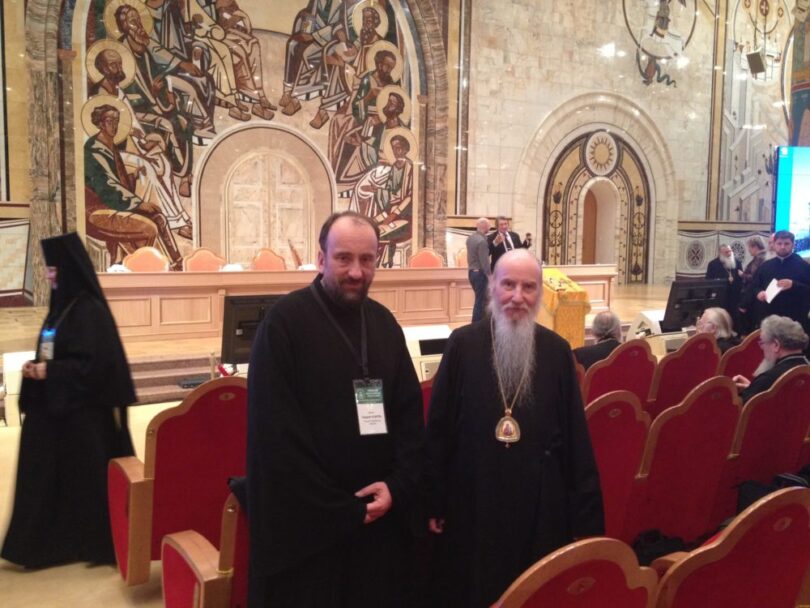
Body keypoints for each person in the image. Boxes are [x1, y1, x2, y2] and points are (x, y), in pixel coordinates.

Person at [246, 211, 424, 607]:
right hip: (310, 532)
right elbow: (277, 441)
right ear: (321, 258)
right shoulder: (284, 325)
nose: (356, 272)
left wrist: (396, 486)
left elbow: (410, 420)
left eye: (367, 259)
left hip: (379, 520)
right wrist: (341, 510)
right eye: (344, 258)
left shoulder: (384, 324)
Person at [424, 249, 604, 608]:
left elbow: (575, 438)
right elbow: (439, 428)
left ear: (540, 294)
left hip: (539, 505)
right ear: (492, 286)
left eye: (528, 287)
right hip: (473, 499)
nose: (517, 297)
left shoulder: (555, 351)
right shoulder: (463, 344)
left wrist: (585, 519)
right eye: (508, 284)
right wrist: (433, 499)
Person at [1, 233, 136, 568]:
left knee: (80, 480)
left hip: (84, 417)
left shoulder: (90, 311)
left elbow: (95, 367)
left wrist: (51, 373)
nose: (49, 276)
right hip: (56, 409)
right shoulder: (63, 308)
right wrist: (39, 369)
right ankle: (45, 545)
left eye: (53, 270)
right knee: (43, 475)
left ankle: (82, 544)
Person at [733, 315, 809, 403]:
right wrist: (753, 388)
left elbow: (738, 411)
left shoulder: (768, 379)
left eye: (762, 342)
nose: (762, 348)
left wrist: (756, 388)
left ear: (776, 345)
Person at [751, 230, 810, 335]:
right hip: (770, 317)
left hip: (795, 318)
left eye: (786, 243)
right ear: (773, 245)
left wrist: (794, 285)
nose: (782, 247)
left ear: (793, 245)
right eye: (779, 243)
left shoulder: (803, 266)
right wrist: (759, 293)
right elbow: (755, 286)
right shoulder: (765, 266)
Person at [705, 244, 743, 323]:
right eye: (726, 252)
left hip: (734, 297)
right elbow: (708, 282)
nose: (729, 254)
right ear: (720, 254)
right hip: (720, 298)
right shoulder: (713, 264)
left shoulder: (737, 263)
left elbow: (741, 280)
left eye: (730, 251)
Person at [738, 236, 768, 333]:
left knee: (751, 326)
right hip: (760, 295)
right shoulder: (766, 256)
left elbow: (754, 278)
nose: (749, 251)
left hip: (754, 296)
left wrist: (743, 275)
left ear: (755, 246)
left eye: (749, 248)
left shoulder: (759, 258)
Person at [465, 217, 491, 323]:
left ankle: (477, 324)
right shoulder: (482, 241)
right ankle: (476, 325)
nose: (490, 227)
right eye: (489, 225)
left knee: (479, 300)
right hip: (480, 274)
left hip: (471, 273)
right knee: (481, 302)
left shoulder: (470, 238)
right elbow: (484, 262)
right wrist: (490, 276)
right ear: (485, 226)